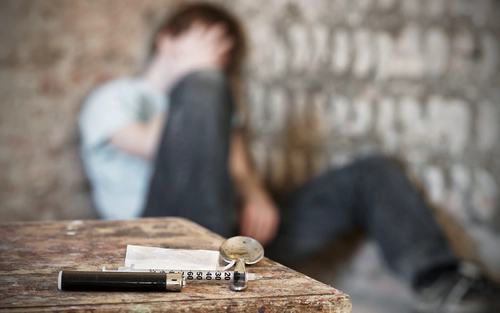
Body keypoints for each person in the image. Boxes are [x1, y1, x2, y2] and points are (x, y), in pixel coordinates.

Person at [79, 3, 499, 312]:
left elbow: (237, 168)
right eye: (206, 46)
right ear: (167, 39)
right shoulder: (117, 98)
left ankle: (446, 284)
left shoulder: (213, 98)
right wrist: (198, 83)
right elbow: (154, 146)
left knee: (371, 173)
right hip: (163, 242)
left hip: (234, 241)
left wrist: (256, 193)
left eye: (222, 59)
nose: (216, 63)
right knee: (204, 89)